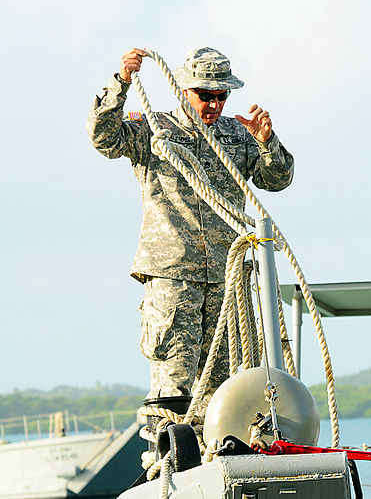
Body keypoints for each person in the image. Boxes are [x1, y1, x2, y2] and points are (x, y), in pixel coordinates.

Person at [87, 47, 294, 417]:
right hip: (172, 273)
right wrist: (121, 83)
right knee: (174, 376)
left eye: (222, 96)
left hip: (225, 277)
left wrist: (266, 141)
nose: (214, 104)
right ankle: (169, 457)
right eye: (206, 96)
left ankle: (218, 454)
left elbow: (278, 180)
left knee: (224, 384)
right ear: (185, 90)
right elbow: (104, 139)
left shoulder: (237, 135)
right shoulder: (154, 128)